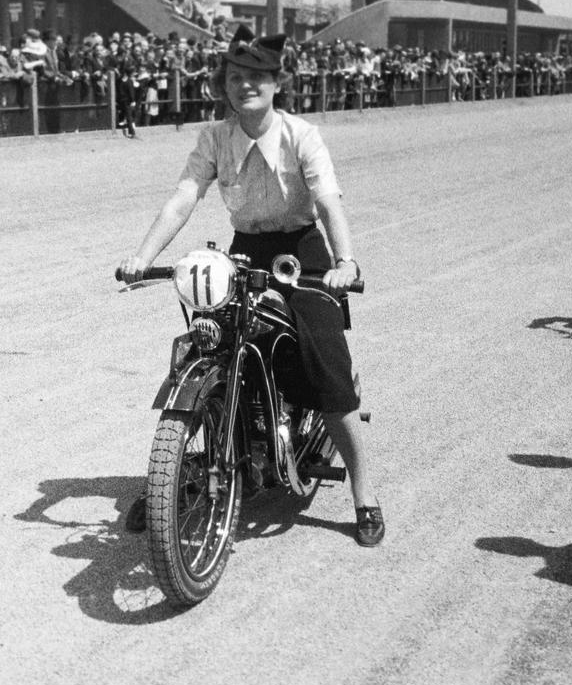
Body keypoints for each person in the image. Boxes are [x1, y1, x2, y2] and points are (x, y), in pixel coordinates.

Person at [118, 27, 384, 547]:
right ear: (225, 84)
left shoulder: (301, 135)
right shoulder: (215, 137)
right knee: (211, 339)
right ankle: (176, 472)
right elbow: (183, 197)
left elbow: (328, 202)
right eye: (236, 77)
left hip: (302, 253)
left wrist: (344, 261)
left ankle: (364, 493)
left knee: (325, 364)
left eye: (256, 78)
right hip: (245, 249)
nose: (245, 86)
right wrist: (141, 258)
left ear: (275, 83)